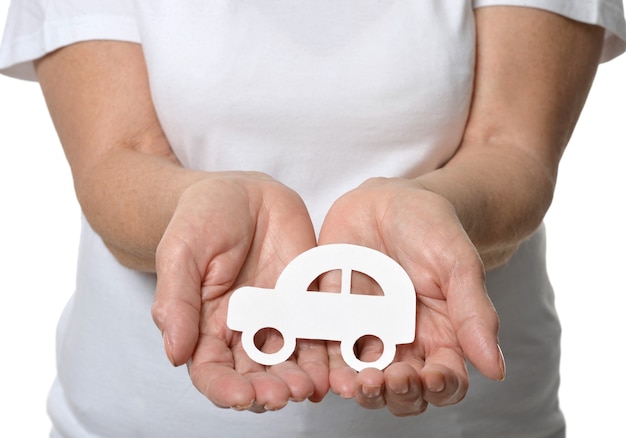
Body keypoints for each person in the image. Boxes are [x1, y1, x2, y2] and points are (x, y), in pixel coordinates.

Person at [1, 1, 625, 437]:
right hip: (136, 419)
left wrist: (439, 212)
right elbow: (117, 156)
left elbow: (512, 148)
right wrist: (189, 210)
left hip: (473, 424)